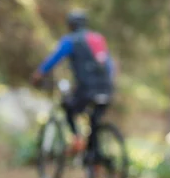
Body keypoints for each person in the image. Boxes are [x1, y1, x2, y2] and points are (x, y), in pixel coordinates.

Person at [31, 9, 116, 154]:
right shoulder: (97, 39)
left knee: (69, 108)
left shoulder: (71, 40)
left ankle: (77, 140)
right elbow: (109, 64)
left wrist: (39, 74)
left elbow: (54, 58)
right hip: (106, 87)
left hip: (86, 88)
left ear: (70, 25)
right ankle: (96, 159)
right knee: (94, 122)